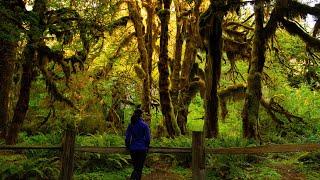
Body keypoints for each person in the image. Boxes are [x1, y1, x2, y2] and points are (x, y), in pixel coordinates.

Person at [125, 107, 150, 180]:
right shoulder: (145, 125)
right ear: (141, 115)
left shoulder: (131, 125)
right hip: (142, 149)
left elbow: (127, 137)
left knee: (136, 168)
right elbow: (148, 138)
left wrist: (128, 146)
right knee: (139, 168)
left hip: (133, 149)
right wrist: (147, 147)